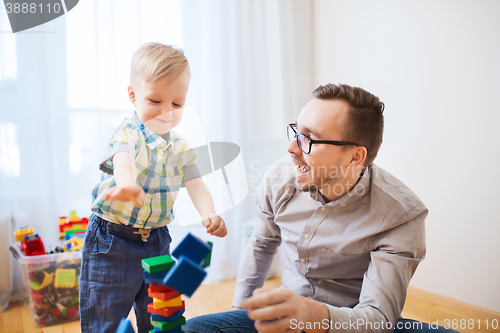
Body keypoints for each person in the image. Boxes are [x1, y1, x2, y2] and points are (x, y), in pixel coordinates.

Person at [184, 83, 456, 333]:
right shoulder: (279, 178)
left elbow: (376, 318)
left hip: (352, 324)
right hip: (287, 319)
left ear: (355, 156)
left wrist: (313, 315)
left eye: (308, 139)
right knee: (195, 329)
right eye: (295, 132)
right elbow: (262, 242)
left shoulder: (400, 216)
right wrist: (241, 313)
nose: (291, 148)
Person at [80, 42, 227, 333]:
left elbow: (196, 183)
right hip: (112, 241)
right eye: (155, 101)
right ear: (133, 96)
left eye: (177, 104)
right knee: (106, 317)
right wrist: (127, 185)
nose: (167, 112)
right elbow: (122, 158)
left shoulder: (182, 147)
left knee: (162, 316)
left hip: (157, 240)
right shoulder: (128, 131)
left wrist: (210, 213)